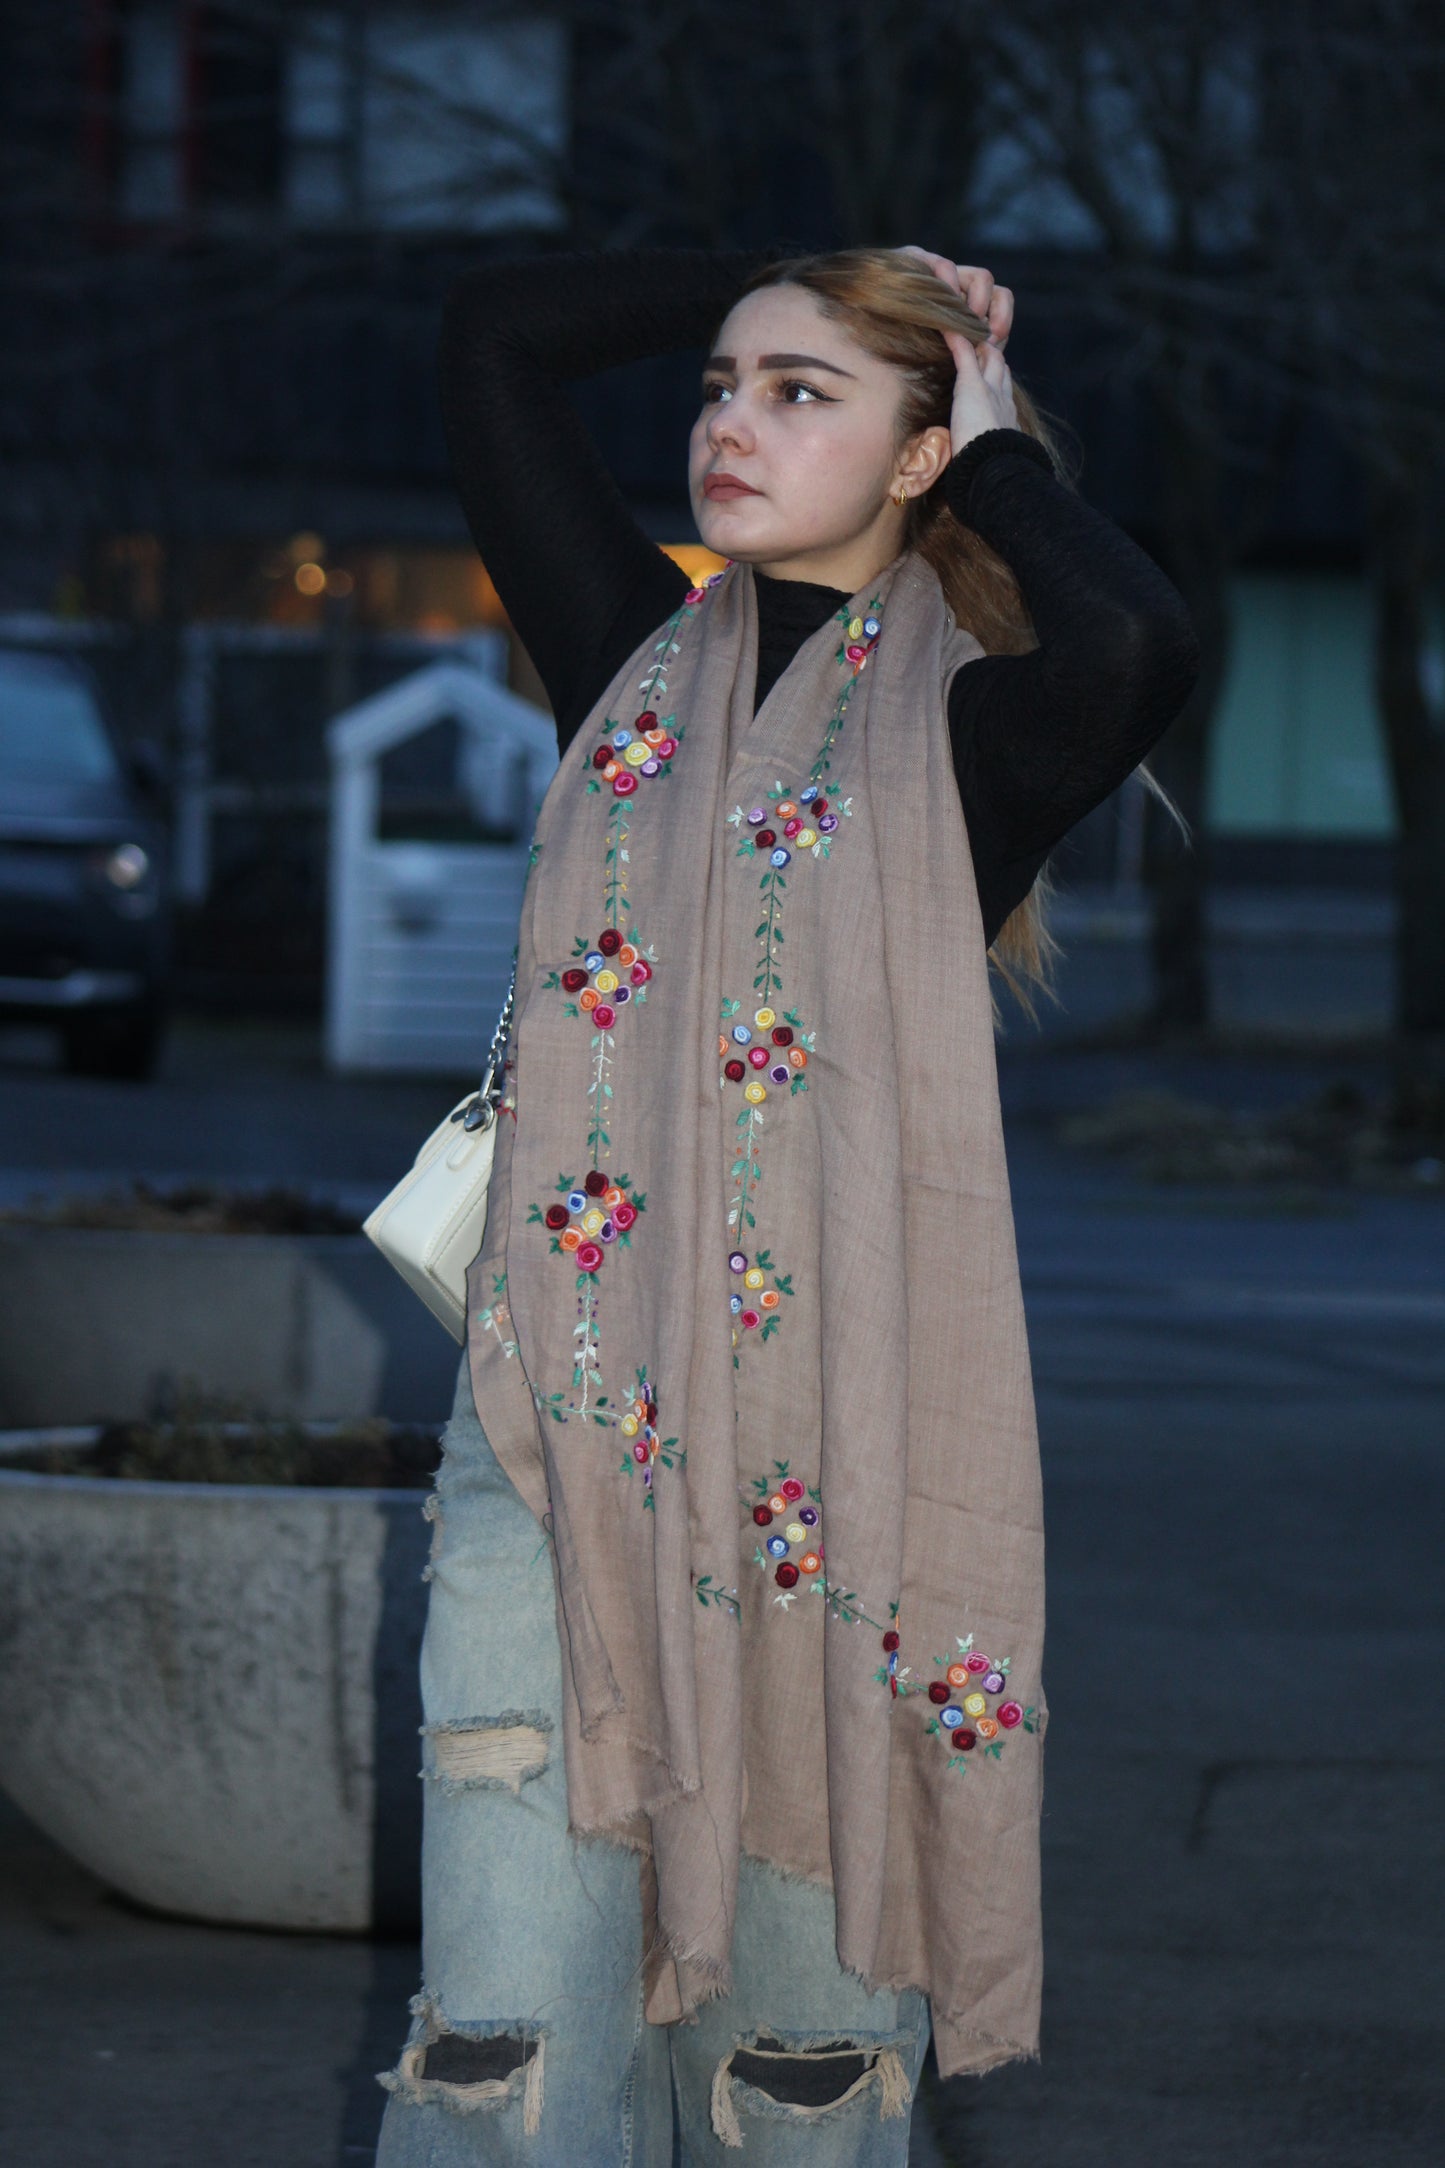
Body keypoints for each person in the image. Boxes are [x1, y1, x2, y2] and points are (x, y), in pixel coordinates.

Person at [375, 242, 1201, 2167]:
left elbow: (1134, 649)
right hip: (555, 1445)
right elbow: (491, 328)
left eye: (801, 392)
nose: (726, 423)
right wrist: (822, 246)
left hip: (834, 1486)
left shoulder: (970, 738)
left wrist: (986, 436)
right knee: (501, 2048)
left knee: (797, 2079)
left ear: (923, 455)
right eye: (719, 383)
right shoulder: (620, 650)